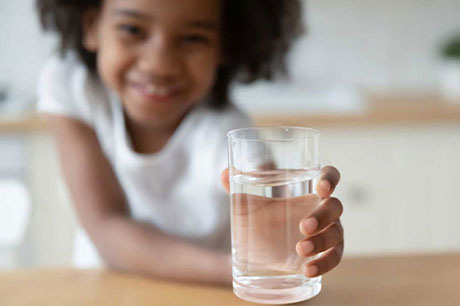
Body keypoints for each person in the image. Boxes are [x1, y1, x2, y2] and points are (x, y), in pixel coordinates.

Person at [36, 0, 344, 285]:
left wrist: (292, 241)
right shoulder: (72, 86)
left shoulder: (227, 131)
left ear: (224, 46)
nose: (160, 64)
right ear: (91, 25)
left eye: (193, 38)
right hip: (105, 289)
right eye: (132, 30)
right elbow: (106, 226)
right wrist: (237, 268)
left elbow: (276, 227)